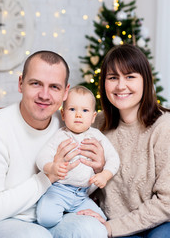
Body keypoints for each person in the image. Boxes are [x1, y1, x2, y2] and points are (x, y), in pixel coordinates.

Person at [0, 50, 107, 238]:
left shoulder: (67, 125)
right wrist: (47, 177)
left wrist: (97, 171)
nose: (44, 95)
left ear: (66, 92)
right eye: (35, 83)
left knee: (94, 230)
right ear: (20, 83)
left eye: (54, 87)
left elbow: (73, 188)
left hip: (52, 218)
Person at [77, 44, 170, 238]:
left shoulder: (164, 126)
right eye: (113, 77)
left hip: (169, 222)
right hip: (120, 224)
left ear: (145, 81)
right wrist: (98, 170)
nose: (120, 86)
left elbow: (168, 202)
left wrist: (110, 228)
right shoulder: (95, 124)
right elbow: (80, 180)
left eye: (130, 76)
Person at [36, 86, 120, 228]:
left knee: (101, 221)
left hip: (81, 196)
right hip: (58, 191)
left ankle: (71, 217)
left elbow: (114, 158)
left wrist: (105, 175)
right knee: (46, 219)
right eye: (72, 109)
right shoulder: (60, 135)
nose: (78, 115)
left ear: (93, 117)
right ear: (63, 114)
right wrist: (52, 167)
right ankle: (64, 223)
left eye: (85, 110)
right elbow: (41, 157)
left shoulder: (97, 136)